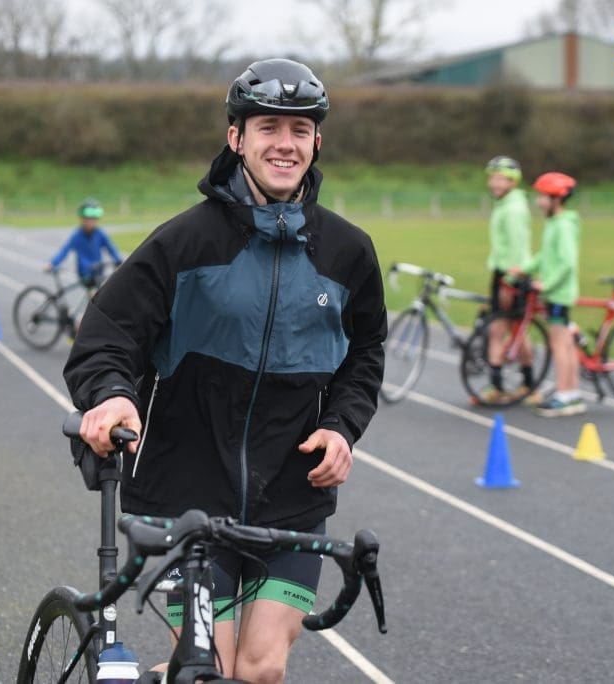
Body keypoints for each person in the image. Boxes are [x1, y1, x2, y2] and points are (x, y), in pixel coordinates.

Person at [64, 58, 386, 683]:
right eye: (268, 127)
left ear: (317, 141)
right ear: (237, 137)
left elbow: (366, 350)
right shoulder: (184, 244)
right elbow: (108, 336)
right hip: (188, 496)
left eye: (299, 129)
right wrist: (113, 396)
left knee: (261, 670)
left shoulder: (348, 252)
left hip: (293, 500)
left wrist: (344, 426)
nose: (285, 143)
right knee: (209, 666)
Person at [514, 171, 585, 417]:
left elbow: (566, 263)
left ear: (557, 199)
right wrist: (524, 269)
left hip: (559, 293)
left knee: (560, 345)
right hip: (557, 292)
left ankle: (565, 395)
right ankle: (572, 392)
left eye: (543, 197)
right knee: (565, 343)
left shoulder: (563, 225)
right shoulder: (555, 223)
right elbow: (545, 257)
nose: (538, 201)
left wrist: (547, 285)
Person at [477, 155, 539, 405]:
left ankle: (509, 385)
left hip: (511, 275)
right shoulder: (505, 204)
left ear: (513, 181)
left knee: (504, 331)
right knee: (510, 331)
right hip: (504, 273)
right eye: (492, 178)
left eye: (500, 178)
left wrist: (510, 281)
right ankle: (521, 384)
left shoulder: (513, 209)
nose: (494, 183)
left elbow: (517, 248)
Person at [44, 199, 123, 289]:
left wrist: (119, 261)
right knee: (94, 296)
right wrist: (52, 263)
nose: (90, 222)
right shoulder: (77, 235)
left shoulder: (100, 233)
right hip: (85, 273)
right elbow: (64, 251)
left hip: (98, 271)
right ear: (82, 219)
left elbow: (111, 248)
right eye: (87, 219)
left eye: (93, 219)